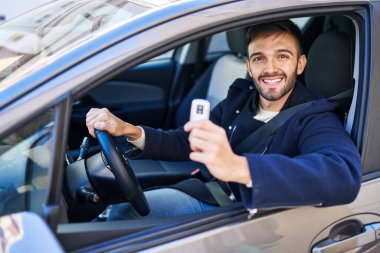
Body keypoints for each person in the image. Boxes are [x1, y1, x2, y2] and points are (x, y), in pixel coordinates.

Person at [86, 20, 362, 220]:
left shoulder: (315, 116)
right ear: (249, 65)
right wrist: (128, 130)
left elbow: (343, 175)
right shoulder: (240, 97)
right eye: (259, 58)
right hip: (209, 191)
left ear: (300, 64)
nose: (270, 68)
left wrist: (240, 167)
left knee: (126, 213)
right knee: (123, 206)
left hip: (247, 216)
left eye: (282, 56)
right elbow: (188, 141)